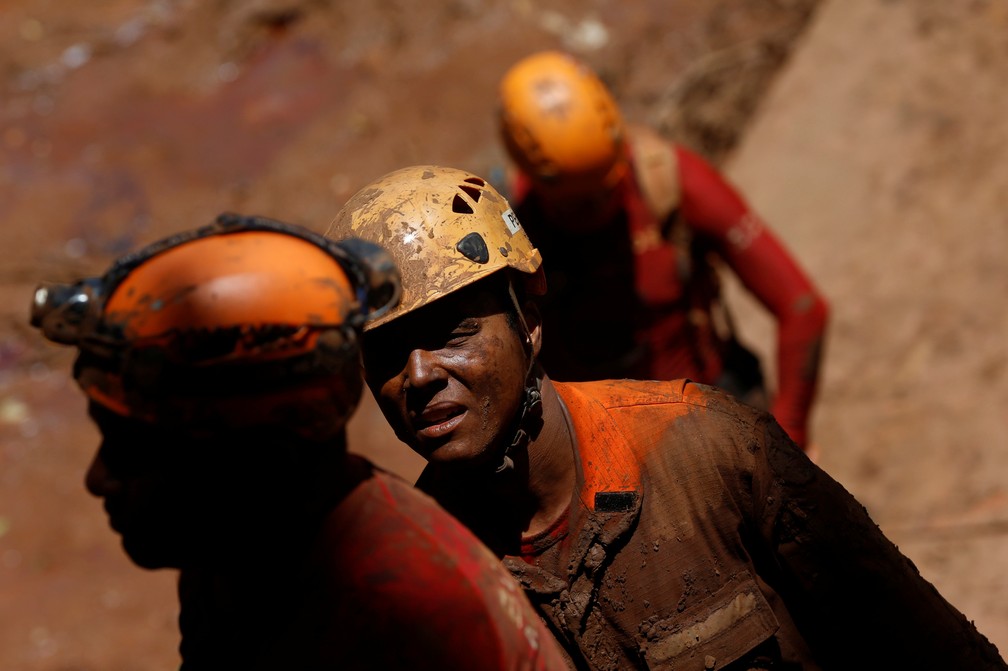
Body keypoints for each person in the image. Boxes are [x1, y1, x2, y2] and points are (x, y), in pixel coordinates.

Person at [326, 165, 1007, 670]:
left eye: (452, 334)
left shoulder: (707, 450)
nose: (418, 375)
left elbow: (931, 649)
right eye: (384, 352)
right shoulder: (423, 577)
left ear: (528, 320)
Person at [29, 213, 570, 671]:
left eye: (131, 449)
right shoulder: (232, 558)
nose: (97, 479)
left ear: (248, 462)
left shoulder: (411, 619)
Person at [495, 50, 829, 454]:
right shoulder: (508, 232)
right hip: (600, 445)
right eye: (580, 203)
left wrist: (790, 436)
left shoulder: (669, 182)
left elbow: (802, 307)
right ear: (535, 178)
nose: (599, 208)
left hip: (712, 420)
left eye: (608, 188)